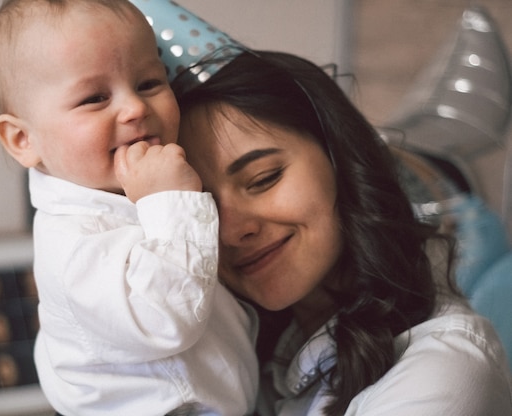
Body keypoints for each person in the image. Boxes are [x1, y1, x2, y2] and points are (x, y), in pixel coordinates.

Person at [173, 49, 512, 415]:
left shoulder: (445, 373)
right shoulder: (254, 366)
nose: (233, 231)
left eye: (264, 179)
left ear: (340, 160)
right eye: (202, 207)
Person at [0, 1, 258, 415]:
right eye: (94, 97)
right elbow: (166, 318)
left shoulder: (130, 192)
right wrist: (169, 200)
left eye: (148, 83)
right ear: (23, 140)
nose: (135, 108)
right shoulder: (74, 244)